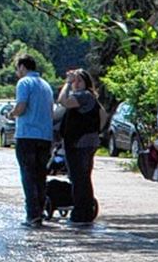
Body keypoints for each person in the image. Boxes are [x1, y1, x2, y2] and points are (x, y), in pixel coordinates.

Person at [11, 54, 55, 227]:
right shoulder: (46, 85)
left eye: (17, 69)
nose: (17, 72)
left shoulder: (24, 83)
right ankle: (40, 211)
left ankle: (32, 215)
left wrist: (11, 114)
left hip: (27, 135)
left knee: (28, 176)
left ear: (22, 67)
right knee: (40, 176)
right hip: (45, 136)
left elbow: (21, 107)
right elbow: (51, 111)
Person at [56, 68, 102, 227]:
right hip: (86, 141)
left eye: (79, 81)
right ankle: (86, 210)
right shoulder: (91, 97)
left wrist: (67, 83)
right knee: (83, 177)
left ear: (86, 83)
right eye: (74, 81)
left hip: (80, 143)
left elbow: (63, 101)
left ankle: (81, 213)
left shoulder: (84, 96)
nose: (75, 84)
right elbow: (103, 115)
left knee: (79, 178)